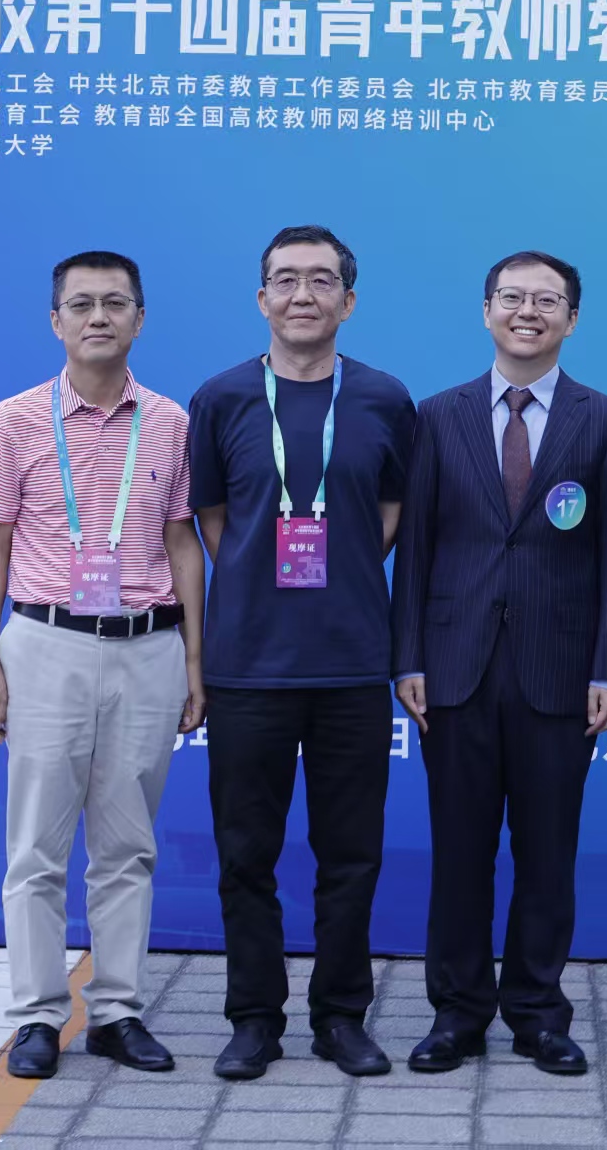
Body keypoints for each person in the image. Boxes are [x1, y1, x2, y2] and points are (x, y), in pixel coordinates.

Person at [391, 251, 607, 1076]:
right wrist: (408, 657)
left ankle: (537, 1012)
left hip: (559, 671)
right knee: (459, 851)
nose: (528, 311)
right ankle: (456, 1013)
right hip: (454, 668)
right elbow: (416, 548)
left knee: (547, 854)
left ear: (572, 318)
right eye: (512, 297)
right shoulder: (438, 416)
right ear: (486, 310)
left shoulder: (606, 421)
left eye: (547, 300)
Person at [0, 250, 204, 1080]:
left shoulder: (170, 422)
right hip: (46, 644)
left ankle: (116, 1011)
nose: (98, 317)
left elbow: (183, 542)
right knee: (36, 847)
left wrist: (195, 660)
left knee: (127, 845)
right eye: (81, 304)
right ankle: (37, 1016)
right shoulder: (13, 421)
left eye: (114, 303)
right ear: (56, 321)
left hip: (149, 647)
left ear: (140, 319)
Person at [188, 225, 416, 1080]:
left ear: (348, 302)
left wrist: (337, 569)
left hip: (351, 663)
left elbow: (390, 515)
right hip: (248, 665)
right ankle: (254, 1018)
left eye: (322, 281)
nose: (303, 296)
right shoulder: (221, 399)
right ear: (262, 299)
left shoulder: (385, 399)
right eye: (285, 280)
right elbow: (214, 522)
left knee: (350, 855)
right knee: (245, 854)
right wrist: (263, 574)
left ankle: (341, 1017)